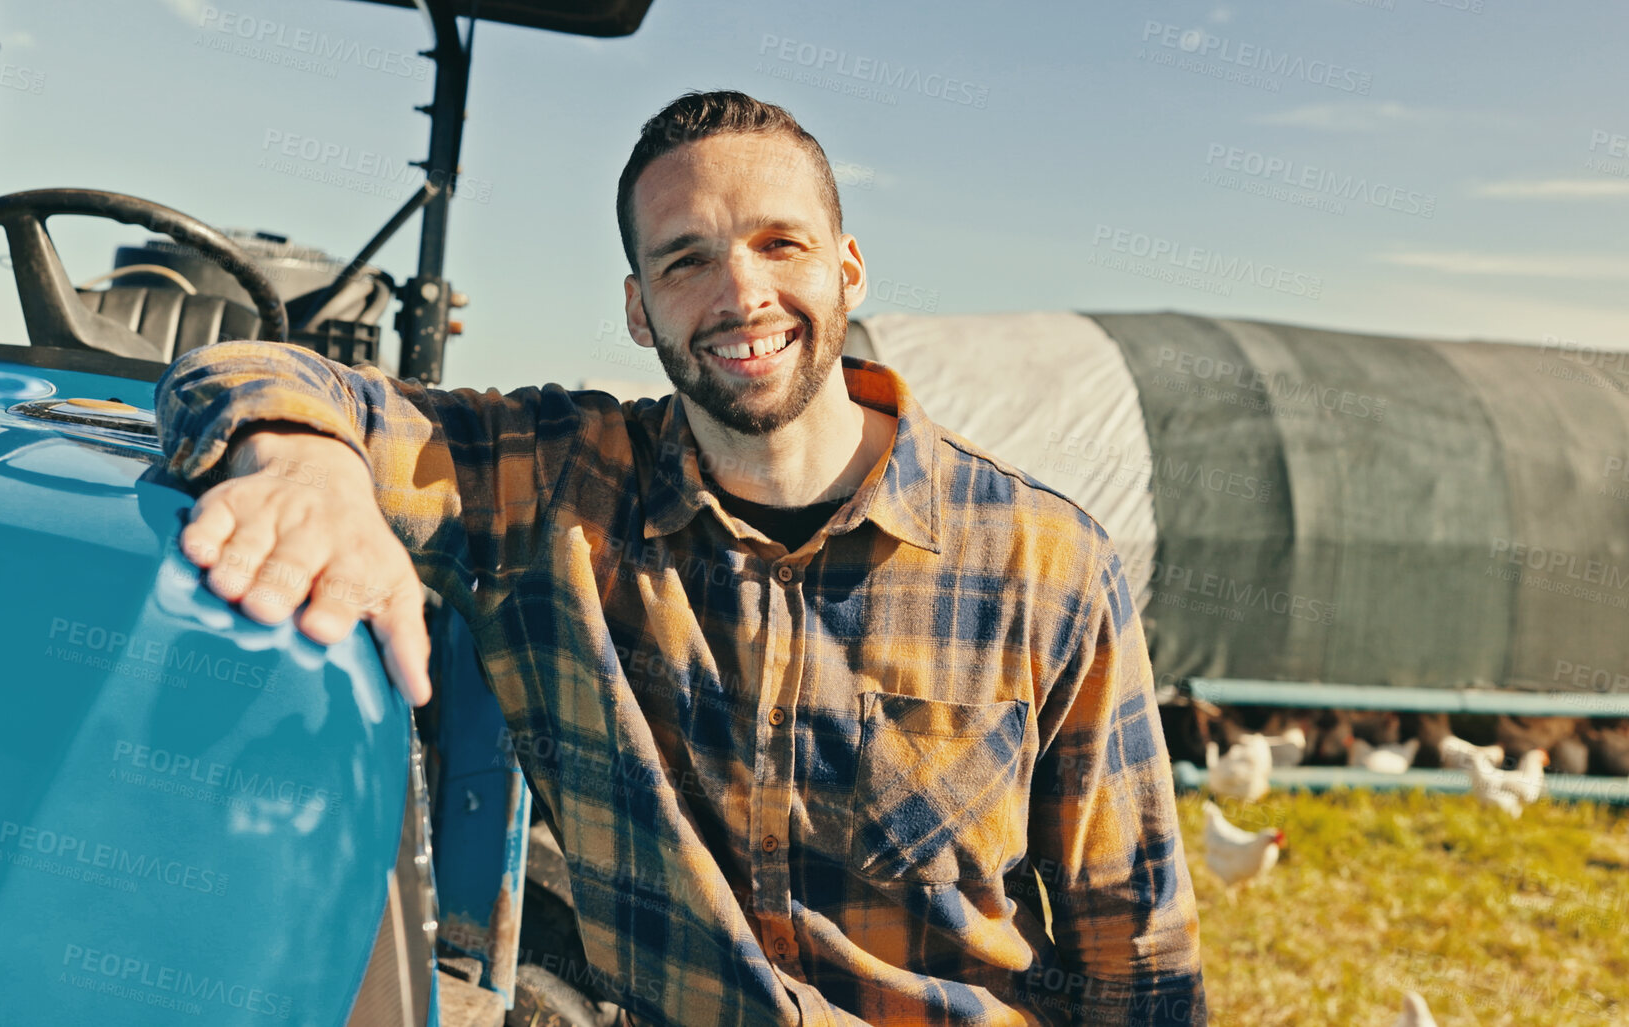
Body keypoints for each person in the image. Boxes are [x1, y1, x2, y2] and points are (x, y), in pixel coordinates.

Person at [155, 90, 1205, 1026]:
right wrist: (307, 468)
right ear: (637, 306)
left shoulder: (1044, 563)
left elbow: (1138, 950)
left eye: (780, 244)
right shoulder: (559, 486)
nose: (741, 292)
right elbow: (238, 369)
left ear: (847, 269)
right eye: (687, 259)